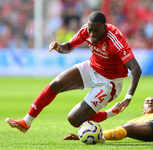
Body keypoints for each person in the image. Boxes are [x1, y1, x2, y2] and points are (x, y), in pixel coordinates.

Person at [5, 11, 142, 133]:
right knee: (56, 84)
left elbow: (136, 69)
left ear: (105, 27)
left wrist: (128, 98)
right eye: (90, 30)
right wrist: (59, 47)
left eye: (96, 30)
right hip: (92, 67)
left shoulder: (115, 38)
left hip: (109, 82)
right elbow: (69, 46)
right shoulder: (86, 30)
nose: (92, 34)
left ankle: (112, 112)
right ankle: (26, 122)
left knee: (74, 119)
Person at [64, 97, 153, 144]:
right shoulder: (136, 119)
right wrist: (88, 136)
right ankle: (99, 137)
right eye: (147, 102)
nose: (150, 102)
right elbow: (119, 130)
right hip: (150, 128)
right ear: (143, 110)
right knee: (127, 128)